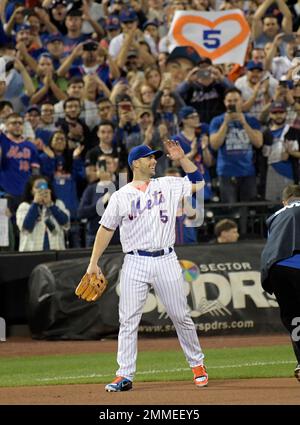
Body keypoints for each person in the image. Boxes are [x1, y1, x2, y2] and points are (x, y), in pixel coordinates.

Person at [86, 141, 208, 392]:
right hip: (135, 261)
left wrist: (182, 158)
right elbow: (105, 229)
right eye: (149, 158)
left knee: (180, 316)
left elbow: (199, 182)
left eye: (155, 157)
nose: (154, 161)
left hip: (166, 259)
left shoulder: (168, 184)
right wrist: (93, 263)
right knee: (128, 320)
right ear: (135, 163)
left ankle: (197, 365)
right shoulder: (120, 195)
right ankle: (124, 375)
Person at [261, 184, 300, 382]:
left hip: (277, 270)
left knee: (294, 318)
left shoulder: (275, 216)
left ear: (285, 200)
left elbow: (273, 246)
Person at [16, 175, 70, 251]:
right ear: (31, 191)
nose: (41, 190)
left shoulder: (58, 204)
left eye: (44, 186)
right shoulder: (24, 206)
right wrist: (35, 204)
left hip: (55, 249)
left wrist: (51, 205)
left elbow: (66, 223)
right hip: (32, 250)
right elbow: (26, 227)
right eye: (37, 187)